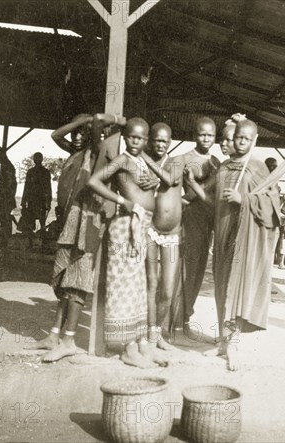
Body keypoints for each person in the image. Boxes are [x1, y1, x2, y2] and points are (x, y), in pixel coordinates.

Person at [26, 113, 128, 362]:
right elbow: (55, 134)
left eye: (84, 132)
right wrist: (78, 122)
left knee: (77, 281)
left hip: (87, 223)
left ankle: (69, 340)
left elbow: (95, 128)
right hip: (69, 222)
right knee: (64, 282)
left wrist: (105, 120)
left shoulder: (95, 153)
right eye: (77, 132)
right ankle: (53, 335)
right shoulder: (73, 152)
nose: (79, 135)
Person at [190, 119, 280, 370]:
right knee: (221, 285)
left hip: (244, 237)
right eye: (237, 137)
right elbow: (213, 202)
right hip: (223, 233)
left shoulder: (258, 167)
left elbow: (274, 205)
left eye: (246, 139)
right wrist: (193, 186)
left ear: (254, 140)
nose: (240, 142)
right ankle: (222, 343)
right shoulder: (225, 167)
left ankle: (234, 345)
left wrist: (244, 199)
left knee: (235, 287)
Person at [88, 117, 177, 368]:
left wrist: (155, 180)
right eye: (131, 137)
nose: (136, 142)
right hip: (125, 225)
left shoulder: (141, 161)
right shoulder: (123, 159)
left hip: (142, 226)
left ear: (146, 140)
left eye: (140, 138)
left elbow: (165, 181)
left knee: (138, 288)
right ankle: (127, 349)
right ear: (125, 138)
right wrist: (122, 201)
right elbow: (93, 181)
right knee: (124, 288)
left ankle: (140, 346)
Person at [144, 123, 185, 350]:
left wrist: (148, 162)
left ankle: (158, 332)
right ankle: (151, 335)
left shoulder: (176, 161)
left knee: (167, 288)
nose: (161, 144)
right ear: (150, 140)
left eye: (165, 141)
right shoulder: (143, 163)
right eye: (157, 140)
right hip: (150, 229)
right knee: (151, 283)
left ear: (170, 142)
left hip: (171, 234)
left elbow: (170, 180)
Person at [179, 117, 219, 330]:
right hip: (189, 218)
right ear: (195, 135)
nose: (206, 139)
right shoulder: (184, 158)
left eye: (210, 135)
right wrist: (183, 200)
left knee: (199, 271)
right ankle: (178, 317)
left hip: (207, 220)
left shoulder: (216, 162)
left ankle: (186, 316)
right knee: (186, 267)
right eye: (202, 134)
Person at [22, 152, 52, 233]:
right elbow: (26, 187)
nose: (37, 160)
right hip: (33, 200)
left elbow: (48, 188)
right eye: (36, 158)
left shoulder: (44, 172)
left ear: (41, 159)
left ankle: (40, 240)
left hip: (40, 200)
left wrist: (49, 202)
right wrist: (23, 201)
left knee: (41, 222)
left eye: (38, 158)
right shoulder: (31, 172)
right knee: (31, 222)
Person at [0, 148, 17, 240]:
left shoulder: (7, 167)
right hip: (5, 196)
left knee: (5, 218)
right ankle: (4, 238)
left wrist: (5, 194)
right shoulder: (6, 166)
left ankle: (5, 239)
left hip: (6, 197)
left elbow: (11, 183)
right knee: (4, 218)